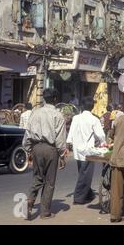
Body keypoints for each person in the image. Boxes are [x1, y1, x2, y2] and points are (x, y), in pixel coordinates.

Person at [22, 89, 68, 220]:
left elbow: (28, 133)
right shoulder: (58, 115)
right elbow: (60, 138)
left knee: (37, 178)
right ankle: (45, 212)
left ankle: (30, 200)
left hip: (36, 148)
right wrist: (62, 155)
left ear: (44, 99)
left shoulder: (35, 113)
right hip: (50, 149)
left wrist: (28, 149)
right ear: (55, 99)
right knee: (49, 182)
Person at [67, 97, 105, 205]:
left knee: (82, 173)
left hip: (77, 150)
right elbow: (101, 135)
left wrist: (68, 143)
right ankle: (78, 198)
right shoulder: (94, 119)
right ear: (92, 107)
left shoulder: (76, 118)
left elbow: (71, 133)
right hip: (88, 151)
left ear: (82, 106)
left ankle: (89, 194)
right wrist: (103, 143)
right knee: (85, 174)